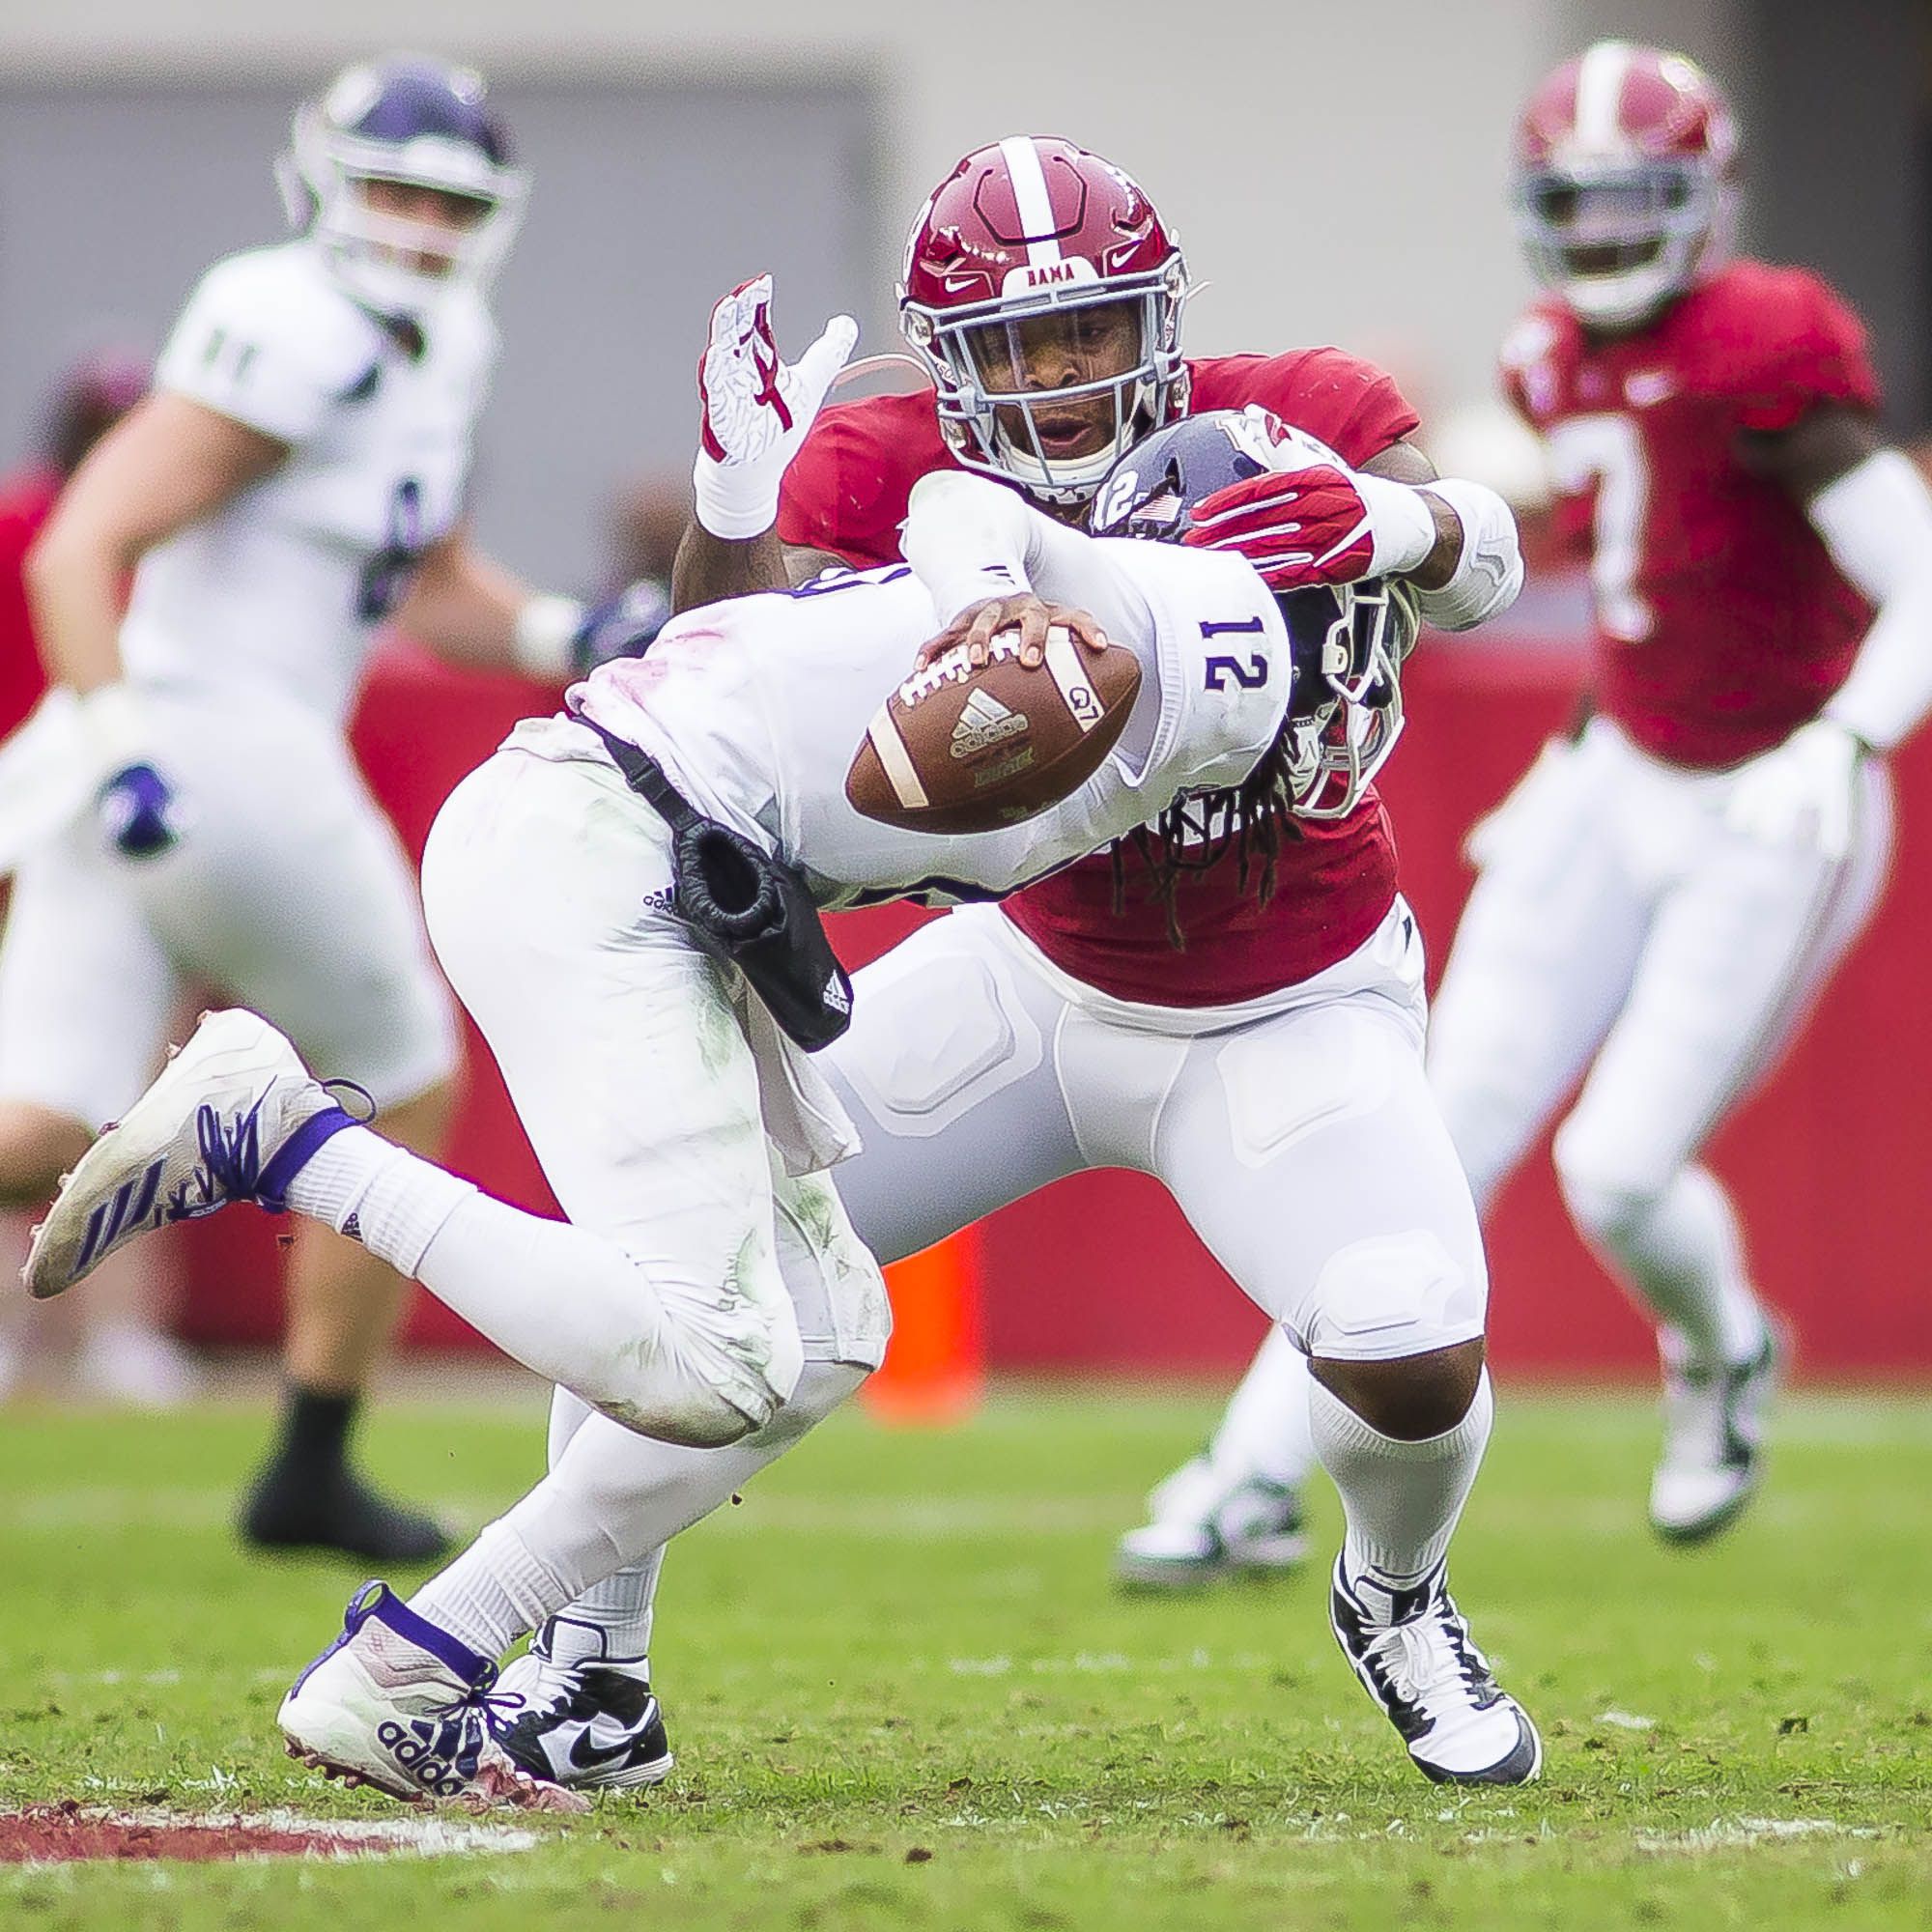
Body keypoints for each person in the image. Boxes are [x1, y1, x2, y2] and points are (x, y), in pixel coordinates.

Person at [28, 406, 1541, 1802]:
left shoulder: (1159, 598)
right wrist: (974, 602)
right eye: (1323, 636)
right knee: (706, 1347)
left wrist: (1374, 539)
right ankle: (284, 1139)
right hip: (596, 854)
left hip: (681, 874)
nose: (1351, 684)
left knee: (823, 1333)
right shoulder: (1207, 649)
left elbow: (968, 539)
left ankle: (421, 1666)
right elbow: (990, 562)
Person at [489, 134, 1532, 1788]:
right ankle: (592, 1674)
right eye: (1013, 348)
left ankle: (1394, 1595)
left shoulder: (1289, 416)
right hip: (1032, 980)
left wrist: (1391, 516)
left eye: (1088, 334)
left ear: (1159, 325)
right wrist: (735, 501)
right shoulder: (897, 459)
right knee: (687, 1259)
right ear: (946, 358)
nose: (1053, 382)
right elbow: (715, 658)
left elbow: (1494, 561)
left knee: (1407, 1344)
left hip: (1292, 996)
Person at [1129, 41, 1932, 1553]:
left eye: (1640, 200)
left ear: (1708, 198)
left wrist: (1842, 745)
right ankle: (1249, 1475)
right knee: (1428, 1134)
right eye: (1582, 203)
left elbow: (1919, 575)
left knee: (1617, 1171)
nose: (1609, 235)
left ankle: (1721, 1355)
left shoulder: (1766, 339)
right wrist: (1571, 755)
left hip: (1772, 792)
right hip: (1617, 776)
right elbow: (1657, 595)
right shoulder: (1549, 355)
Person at [3, 53, 607, 1557]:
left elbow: (426, 578)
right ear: (325, 185)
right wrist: (125, 743)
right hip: (203, 745)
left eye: (443, 202)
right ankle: (310, 1464)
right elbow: (77, 549)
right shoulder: (289, 320)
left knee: (38, 1135)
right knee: (398, 1078)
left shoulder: (439, 336)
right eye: (391, 190)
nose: (411, 225)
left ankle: (308, 1465)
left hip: (171, 756)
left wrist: (561, 634)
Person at [0, 353, 206, 1406]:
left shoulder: (174, 530)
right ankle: (20, 1324)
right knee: (35, 1095)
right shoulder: (31, 530)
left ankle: (122, 1329)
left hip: (130, 837)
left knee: (138, 1094)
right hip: (34, 823)